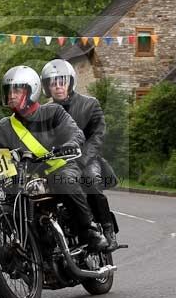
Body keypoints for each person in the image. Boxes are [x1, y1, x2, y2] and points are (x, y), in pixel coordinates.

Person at [0, 65, 108, 251]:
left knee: (63, 181)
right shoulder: (4, 126)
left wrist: (69, 144)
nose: (11, 95)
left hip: (60, 167)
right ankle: (25, 246)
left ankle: (89, 230)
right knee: (9, 196)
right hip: (29, 176)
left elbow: (75, 133)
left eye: (17, 89)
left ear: (32, 90)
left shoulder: (53, 112)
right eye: (8, 90)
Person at [40, 59, 119, 251]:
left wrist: (83, 159)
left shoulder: (90, 104)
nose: (58, 86)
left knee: (91, 180)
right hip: (58, 163)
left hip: (87, 159)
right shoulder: (44, 112)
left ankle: (107, 231)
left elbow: (98, 136)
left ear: (70, 82)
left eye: (62, 81)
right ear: (47, 87)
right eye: (53, 82)